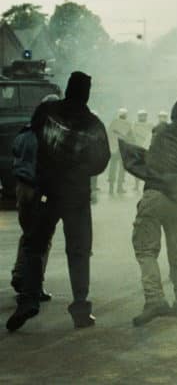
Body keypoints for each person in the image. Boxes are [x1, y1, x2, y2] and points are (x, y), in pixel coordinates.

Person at [7, 71, 110, 332]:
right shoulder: (93, 124)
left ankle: (28, 300)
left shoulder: (46, 111)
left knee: (34, 245)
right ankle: (80, 310)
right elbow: (101, 162)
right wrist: (79, 167)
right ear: (86, 93)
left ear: (67, 89)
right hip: (76, 197)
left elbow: (32, 135)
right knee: (79, 252)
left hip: (47, 192)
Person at [127, 95, 177, 326]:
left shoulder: (162, 133)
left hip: (154, 197)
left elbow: (151, 161)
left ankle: (155, 300)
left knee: (146, 250)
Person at [9, 94, 60, 301]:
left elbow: (14, 154)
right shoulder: (50, 135)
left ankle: (20, 275)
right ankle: (34, 286)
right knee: (43, 238)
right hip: (40, 190)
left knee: (28, 234)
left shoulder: (24, 132)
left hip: (22, 188)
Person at [107, 108, 132, 194]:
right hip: (122, 149)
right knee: (121, 169)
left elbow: (109, 135)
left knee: (113, 168)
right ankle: (119, 188)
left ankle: (111, 188)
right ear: (126, 115)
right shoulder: (128, 124)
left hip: (114, 149)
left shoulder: (113, 122)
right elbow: (130, 137)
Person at [131, 110, 153, 191]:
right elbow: (132, 136)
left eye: (144, 115)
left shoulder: (150, 125)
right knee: (137, 167)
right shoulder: (134, 125)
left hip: (147, 149)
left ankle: (147, 184)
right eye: (141, 115)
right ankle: (136, 185)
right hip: (137, 148)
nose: (142, 117)